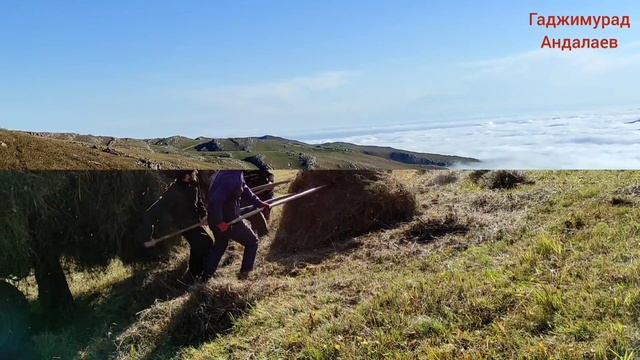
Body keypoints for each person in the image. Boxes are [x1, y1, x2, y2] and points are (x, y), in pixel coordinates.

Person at [139, 170, 214, 281]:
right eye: (189, 174)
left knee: (200, 245)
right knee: (205, 243)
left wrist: (203, 215)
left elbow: (199, 203)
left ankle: (194, 274)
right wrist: (147, 236)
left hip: (195, 222)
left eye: (192, 173)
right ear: (183, 175)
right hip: (183, 224)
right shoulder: (173, 191)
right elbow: (153, 212)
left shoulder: (193, 184)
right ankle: (200, 275)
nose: (192, 175)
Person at [207, 171, 271, 279]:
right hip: (228, 221)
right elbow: (215, 201)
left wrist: (259, 203)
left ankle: (205, 276)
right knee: (252, 242)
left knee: (220, 245)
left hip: (215, 219)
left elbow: (245, 189)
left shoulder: (232, 173)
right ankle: (244, 274)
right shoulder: (231, 177)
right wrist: (220, 222)